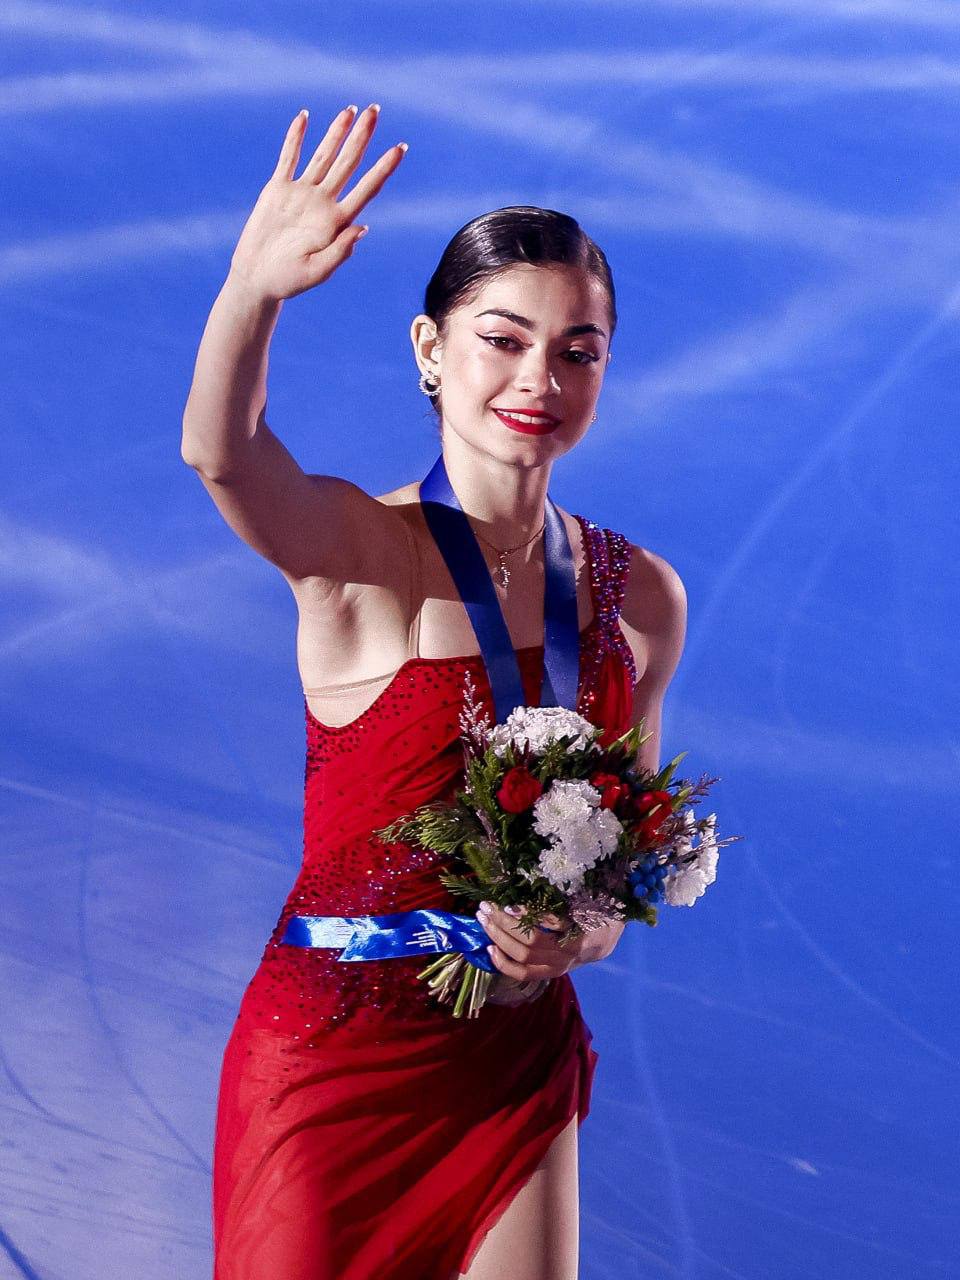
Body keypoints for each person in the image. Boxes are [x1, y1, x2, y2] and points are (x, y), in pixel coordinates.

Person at [181, 102, 687, 1280]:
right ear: (430, 349)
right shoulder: (363, 557)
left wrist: (582, 930)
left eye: (578, 351)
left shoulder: (639, 599)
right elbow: (223, 453)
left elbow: (625, 865)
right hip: (332, 1065)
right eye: (502, 340)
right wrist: (252, 292)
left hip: (511, 1065)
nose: (538, 378)